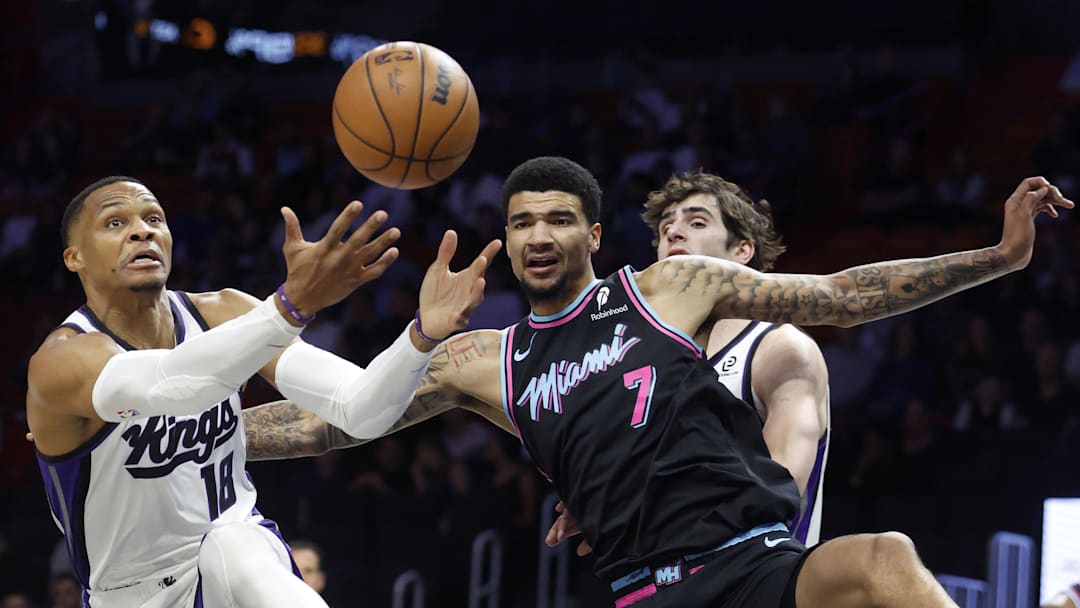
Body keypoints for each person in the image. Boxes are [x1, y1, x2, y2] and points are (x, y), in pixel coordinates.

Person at [240, 157, 1071, 607]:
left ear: (594, 234)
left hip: (755, 565)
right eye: (522, 220)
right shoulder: (480, 359)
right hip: (648, 590)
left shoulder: (670, 288)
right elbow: (336, 421)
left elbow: (843, 298)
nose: (539, 234)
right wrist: (208, 433)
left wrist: (996, 258)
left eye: (559, 218)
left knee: (884, 559)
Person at [26, 176, 500, 607]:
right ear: (75, 257)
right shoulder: (61, 363)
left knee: (234, 542)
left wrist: (421, 336)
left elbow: (358, 410)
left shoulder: (225, 312)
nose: (142, 231)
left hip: (238, 573)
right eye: (115, 222)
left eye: (154, 219)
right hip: (130, 597)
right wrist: (289, 308)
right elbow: (174, 384)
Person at [549, 170, 830, 555]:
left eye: (696, 222)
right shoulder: (647, 365)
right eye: (666, 227)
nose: (674, 233)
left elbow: (777, 495)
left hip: (760, 582)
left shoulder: (777, 348)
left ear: (742, 251)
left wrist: (647, 501)